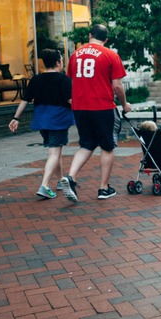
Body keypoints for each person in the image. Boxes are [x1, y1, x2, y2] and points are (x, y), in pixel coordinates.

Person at [58, 24, 131, 202]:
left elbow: (72, 81)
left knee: (86, 144)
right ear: (106, 39)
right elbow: (117, 85)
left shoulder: (75, 55)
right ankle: (103, 188)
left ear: (90, 35)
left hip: (80, 107)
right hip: (103, 106)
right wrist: (124, 104)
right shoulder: (110, 55)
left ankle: (71, 177)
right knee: (107, 146)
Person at [8, 48, 74, 199]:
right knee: (54, 153)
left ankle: (60, 181)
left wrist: (16, 118)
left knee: (56, 151)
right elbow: (72, 101)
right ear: (58, 62)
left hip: (41, 120)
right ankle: (44, 186)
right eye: (62, 60)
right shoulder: (64, 80)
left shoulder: (36, 79)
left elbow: (25, 100)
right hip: (58, 119)